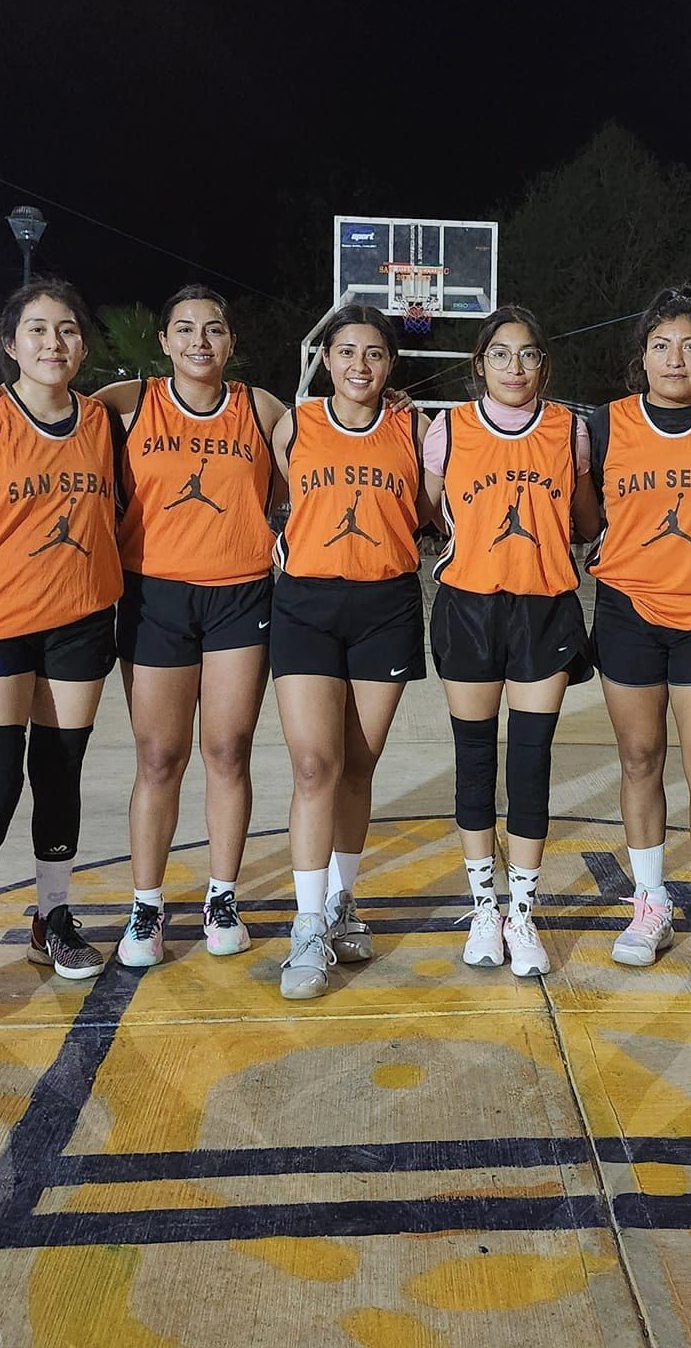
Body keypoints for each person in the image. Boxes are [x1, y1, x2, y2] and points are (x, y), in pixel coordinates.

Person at [0, 285, 290, 970]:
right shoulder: (123, 406)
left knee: (228, 751)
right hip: (154, 596)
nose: (200, 341)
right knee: (159, 758)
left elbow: (310, 466)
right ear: (162, 341)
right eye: (185, 328)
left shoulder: (263, 408)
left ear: (231, 342)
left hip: (239, 595)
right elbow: (46, 403)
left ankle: (222, 898)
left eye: (215, 329)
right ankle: (147, 905)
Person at [0, 278, 123, 1028]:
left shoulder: (104, 420)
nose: (53, 344)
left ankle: (52, 919)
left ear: (83, 345)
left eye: (67, 330)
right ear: (9, 345)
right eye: (36, 331)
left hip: (81, 623)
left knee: (59, 772)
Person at [587, 287, 691, 1002]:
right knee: (639, 759)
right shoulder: (604, 425)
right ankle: (651, 905)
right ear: (642, 357)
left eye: (690, 345)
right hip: (627, 610)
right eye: (661, 345)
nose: (675, 357)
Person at [422, 306, 600, 979]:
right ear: (479, 364)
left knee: (529, 763)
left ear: (543, 365)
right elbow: (430, 509)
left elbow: (584, 519)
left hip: (544, 609)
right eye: (501, 354)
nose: (515, 367)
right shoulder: (448, 429)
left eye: (528, 355)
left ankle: (522, 912)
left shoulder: (569, 430)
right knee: (474, 760)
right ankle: (485, 910)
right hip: (469, 605)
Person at [267, 305, 432, 998]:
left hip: (386, 606)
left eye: (374, 354)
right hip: (305, 606)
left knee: (358, 766)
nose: (360, 365)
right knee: (314, 766)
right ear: (325, 359)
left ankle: (341, 903)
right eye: (346, 352)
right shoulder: (295, 424)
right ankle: (306, 927)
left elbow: (431, 509)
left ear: (390, 365)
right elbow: (280, 494)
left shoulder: (415, 429)